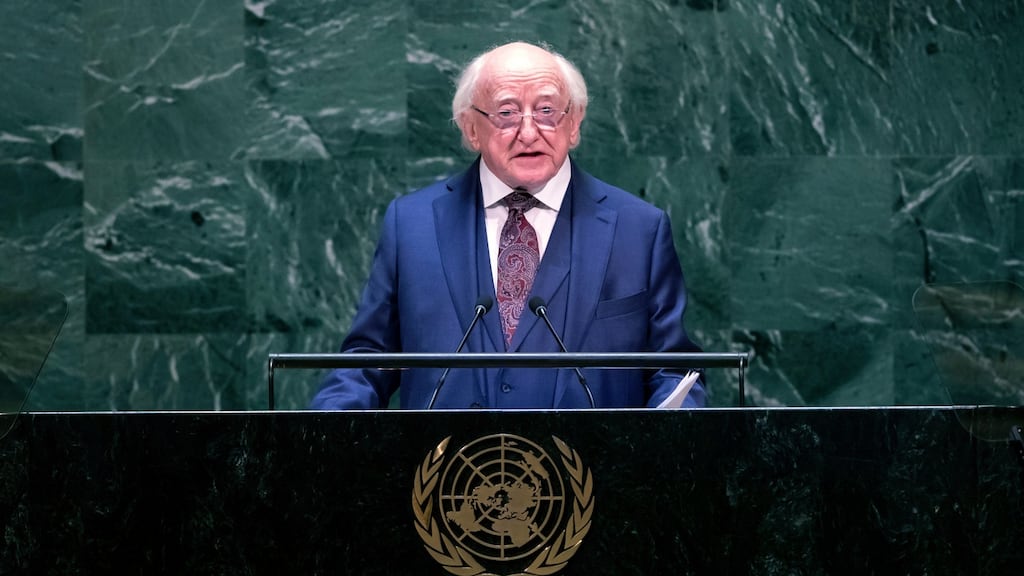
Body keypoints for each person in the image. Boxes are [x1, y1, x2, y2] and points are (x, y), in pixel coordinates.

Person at [310, 41, 705, 410]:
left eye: (548, 111)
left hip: (591, 480)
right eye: (506, 113)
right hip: (449, 478)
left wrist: (673, 437)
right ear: (470, 128)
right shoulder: (411, 224)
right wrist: (321, 432)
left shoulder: (640, 229)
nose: (529, 132)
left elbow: (673, 369)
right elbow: (368, 361)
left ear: (575, 122)